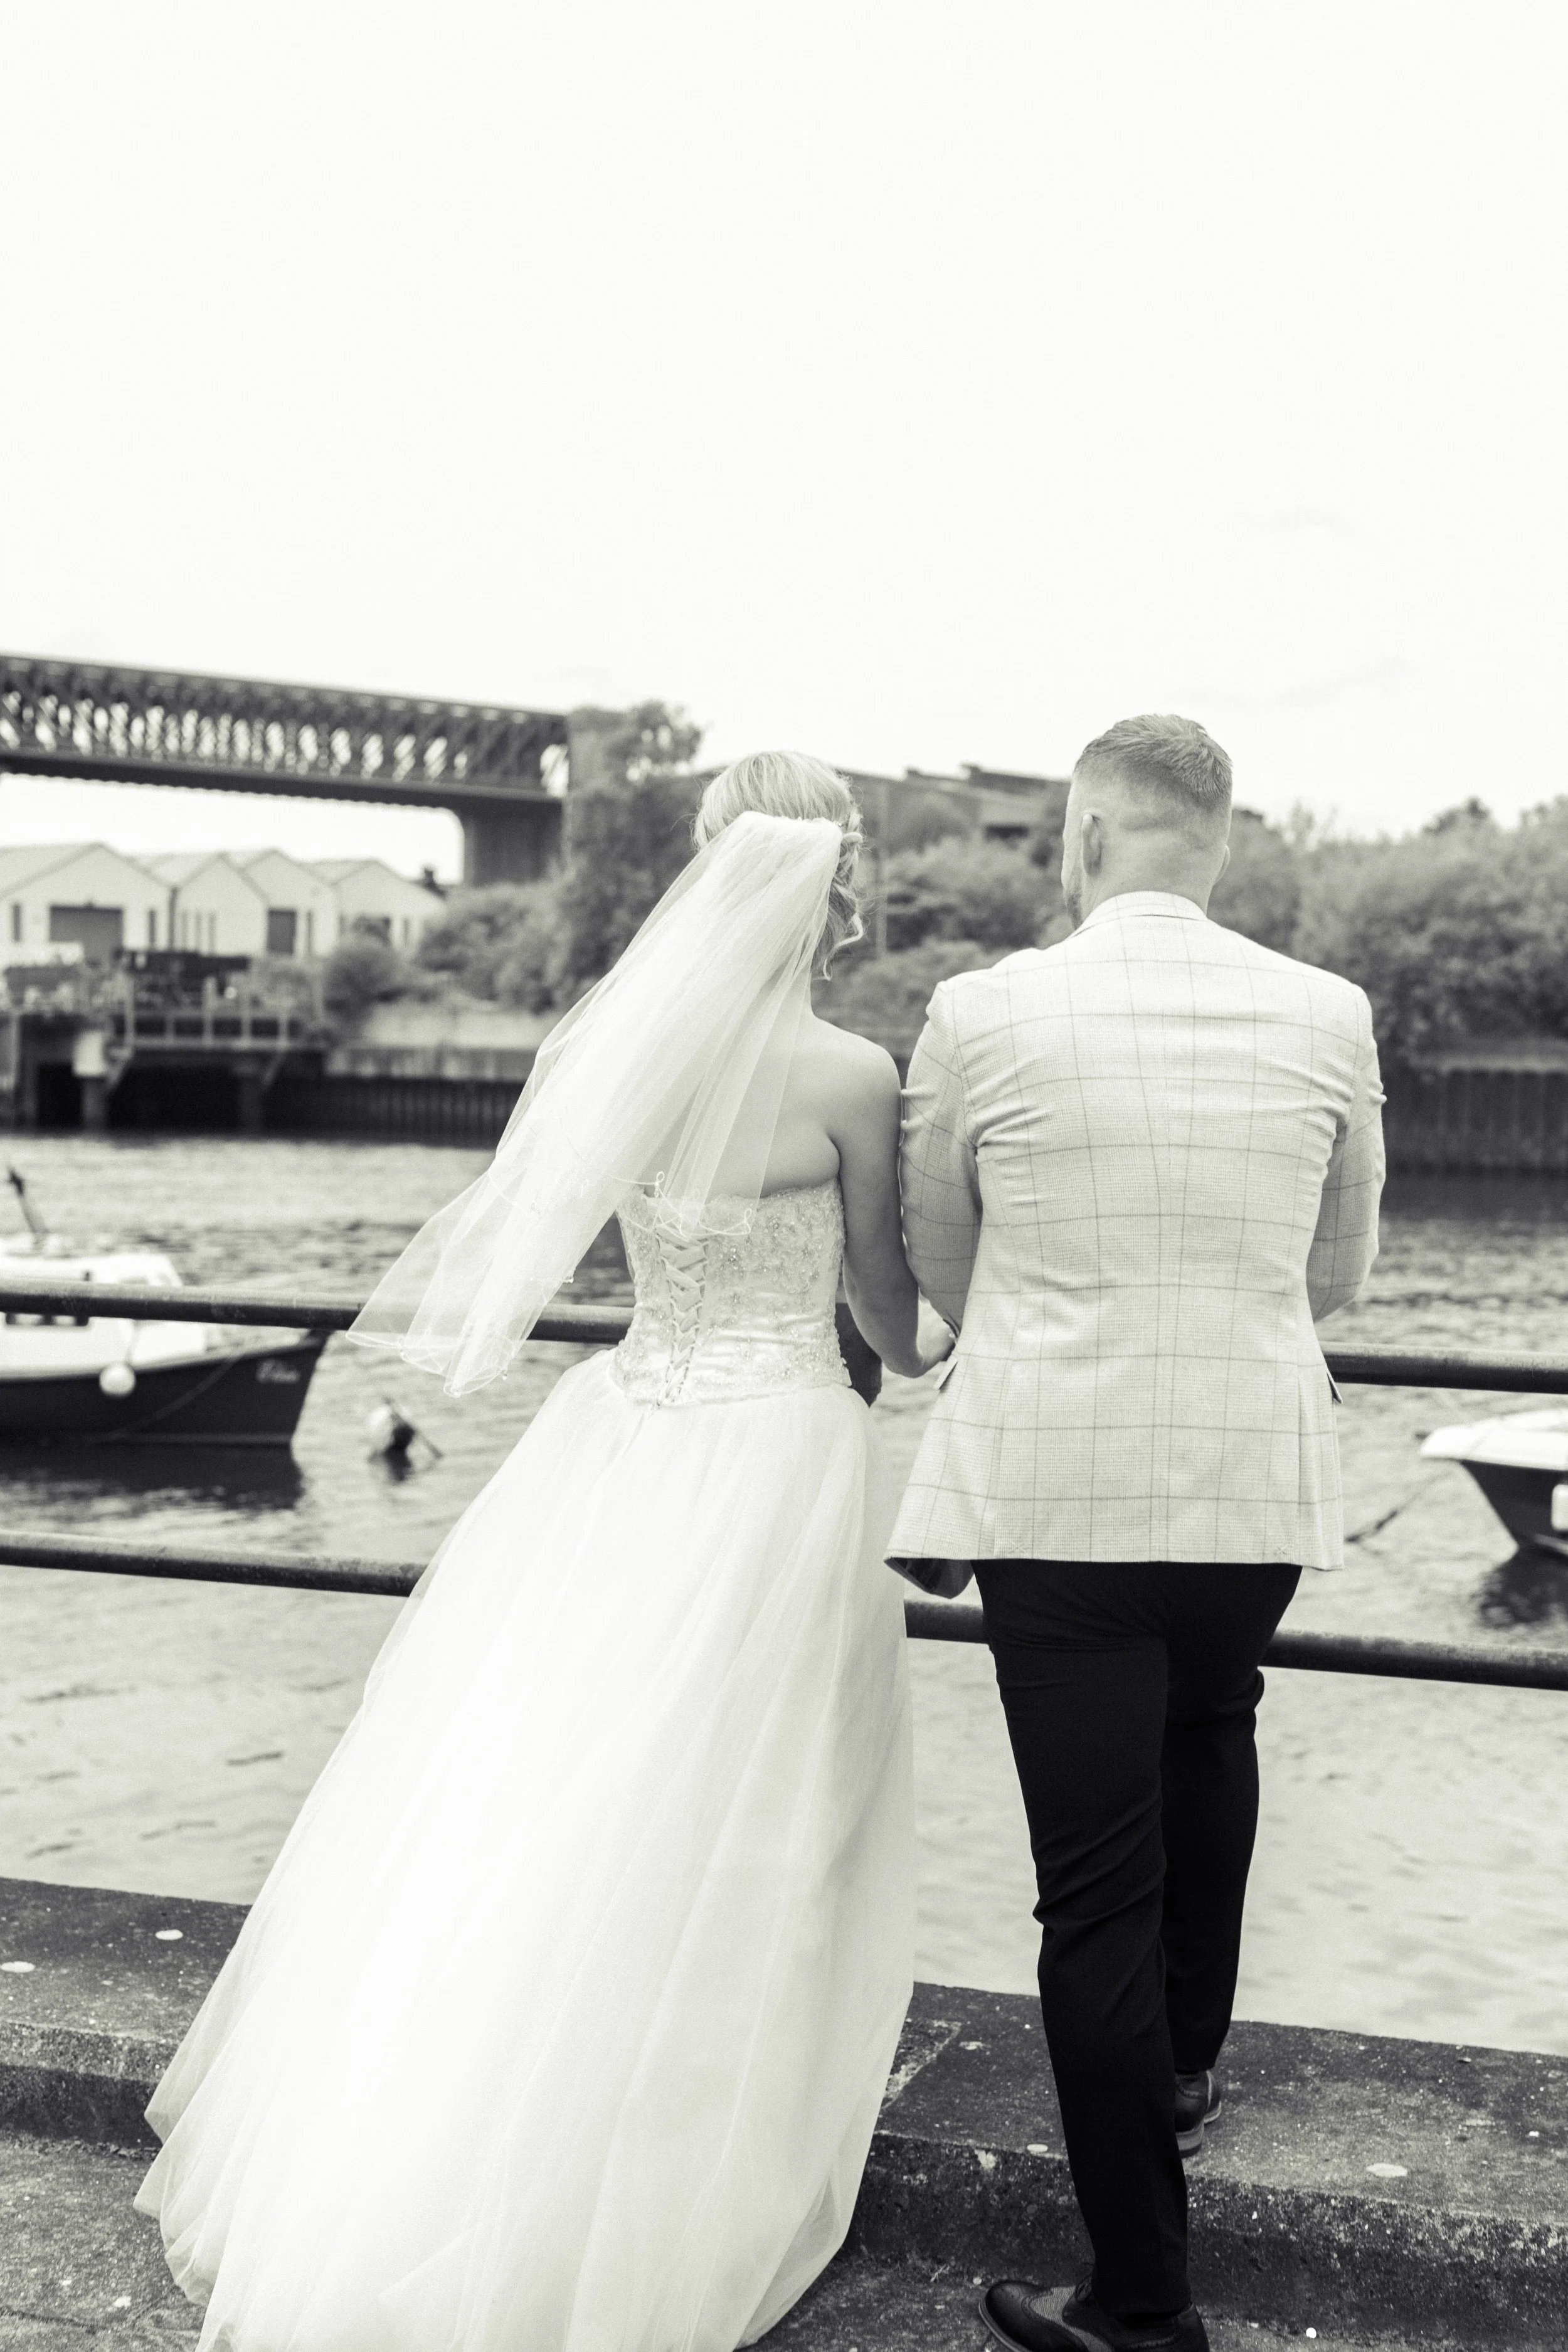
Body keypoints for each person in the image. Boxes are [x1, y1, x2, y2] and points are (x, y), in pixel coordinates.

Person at [135, 753, 950, 2352]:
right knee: (765, 1795)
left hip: (623, 1433)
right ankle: (694, 2146)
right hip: (775, 1450)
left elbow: (569, 1234)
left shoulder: (621, 1056)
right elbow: (888, 1325)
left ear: (709, 869)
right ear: (836, 882)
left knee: (552, 1770)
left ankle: (460, 2127)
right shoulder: (852, 1074)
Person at [891, 715, 1385, 2352]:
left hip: (1055, 1474)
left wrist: (1046, 1329)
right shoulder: (1325, 1012)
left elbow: (938, 1257)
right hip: (1250, 1472)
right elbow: (1338, 1280)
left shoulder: (980, 1009)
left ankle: (1139, 2296)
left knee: (1089, 1889)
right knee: (1214, 1721)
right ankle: (1182, 2062)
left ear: (1084, 832)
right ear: (1218, 842)